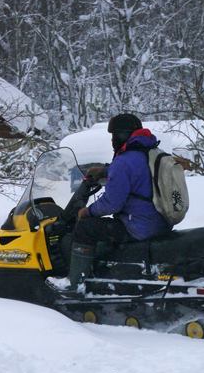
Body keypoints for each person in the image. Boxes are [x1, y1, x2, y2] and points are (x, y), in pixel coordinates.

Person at [61, 113, 170, 293]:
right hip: (157, 221)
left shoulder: (124, 161)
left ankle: (76, 285)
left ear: (122, 135)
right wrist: (105, 171)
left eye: (114, 135)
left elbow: (112, 204)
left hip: (137, 226)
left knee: (85, 228)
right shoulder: (148, 151)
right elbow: (135, 171)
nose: (112, 140)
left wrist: (87, 212)